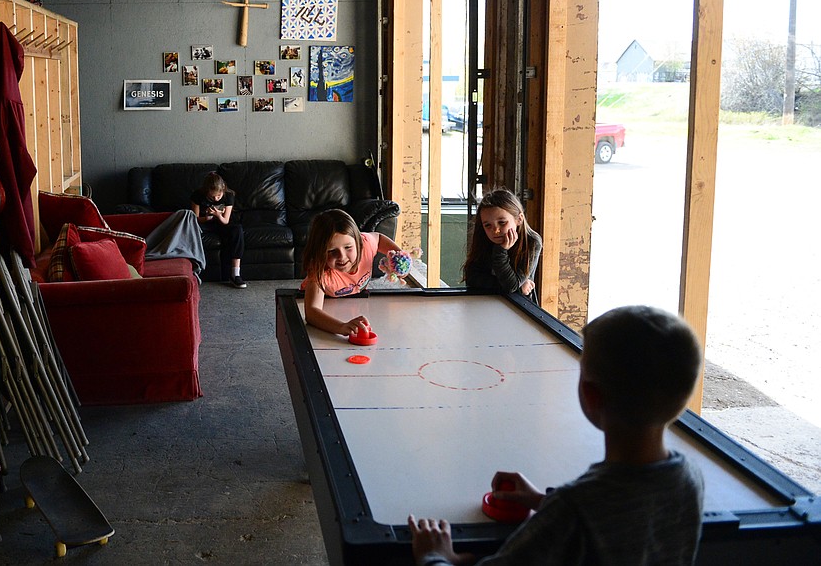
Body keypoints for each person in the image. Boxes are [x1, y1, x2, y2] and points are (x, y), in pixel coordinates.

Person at [409, 305, 705, 566]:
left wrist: (434, 556)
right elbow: (626, 516)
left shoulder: (573, 510)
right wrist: (542, 500)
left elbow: (585, 515)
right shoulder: (689, 479)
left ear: (591, 395)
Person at [299, 208, 401, 336]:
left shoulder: (366, 244)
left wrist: (399, 259)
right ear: (320, 252)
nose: (342, 257)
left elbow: (379, 238)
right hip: (325, 301)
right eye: (331, 251)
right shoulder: (319, 271)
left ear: (358, 243)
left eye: (348, 247)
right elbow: (312, 312)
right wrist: (341, 327)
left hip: (355, 298)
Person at [462, 188, 541, 298]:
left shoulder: (532, 241)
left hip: (519, 307)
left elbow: (511, 285)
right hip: (483, 302)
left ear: (519, 219)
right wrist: (518, 288)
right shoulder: (484, 237)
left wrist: (501, 251)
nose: (495, 230)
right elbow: (472, 279)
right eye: (488, 225)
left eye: (502, 223)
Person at [191, 172, 247, 288]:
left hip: (222, 222)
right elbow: (195, 219)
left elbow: (225, 220)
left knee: (237, 230)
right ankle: (193, 272)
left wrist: (217, 215)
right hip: (205, 223)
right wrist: (207, 217)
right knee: (190, 230)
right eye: (212, 197)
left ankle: (235, 274)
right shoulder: (197, 195)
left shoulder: (228, 195)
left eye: (218, 196)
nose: (216, 198)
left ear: (223, 190)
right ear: (206, 191)